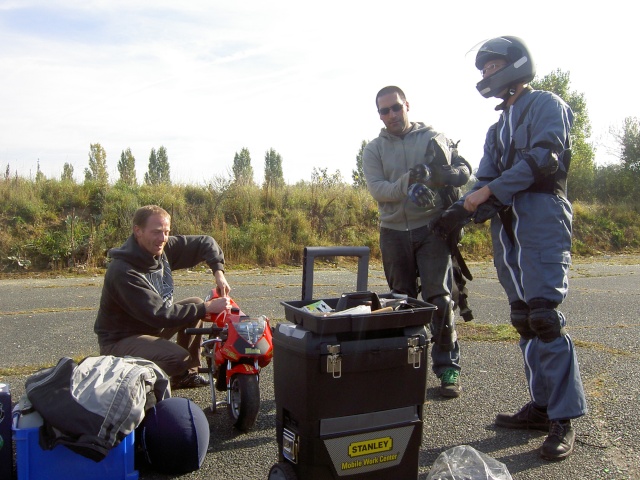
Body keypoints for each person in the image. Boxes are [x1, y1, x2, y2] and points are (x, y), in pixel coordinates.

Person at [437, 36, 587, 460]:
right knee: (523, 318)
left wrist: (483, 196)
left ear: (514, 66)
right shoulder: (495, 127)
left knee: (544, 316)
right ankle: (541, 406)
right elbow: (482, 180)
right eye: (483, 70)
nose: (486, 75)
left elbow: (543, 159)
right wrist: (457, 212)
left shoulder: (546, 105)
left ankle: (564, 418)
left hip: (541, 216)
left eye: (491, 67)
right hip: (508, 228)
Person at [362, 86, 472, 398]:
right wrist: (409, 183)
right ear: (379, 115)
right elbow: (379, 190)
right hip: (393, 233)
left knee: (440, 300)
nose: (391, 115)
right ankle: (404, 369)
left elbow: (462, 170)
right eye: (384, 111)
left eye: (396, 107)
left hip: (432, 228)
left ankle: (448, 366)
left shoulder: (432, 137)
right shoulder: (373, 150)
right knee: (402, 303)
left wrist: (436, 176)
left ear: (407, 105)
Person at [94, 204, 232, 390]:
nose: (163, 239)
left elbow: (205, 242)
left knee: (195, 303)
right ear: (138, 231)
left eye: (166, 232)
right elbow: (158, 313)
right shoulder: (123, 271)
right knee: (178, 358)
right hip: (121, 340)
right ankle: (133, 382)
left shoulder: (161, 250)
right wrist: (207, 308)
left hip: (151, 328)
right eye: (157, 232)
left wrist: (218, 273)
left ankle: (186, 376)